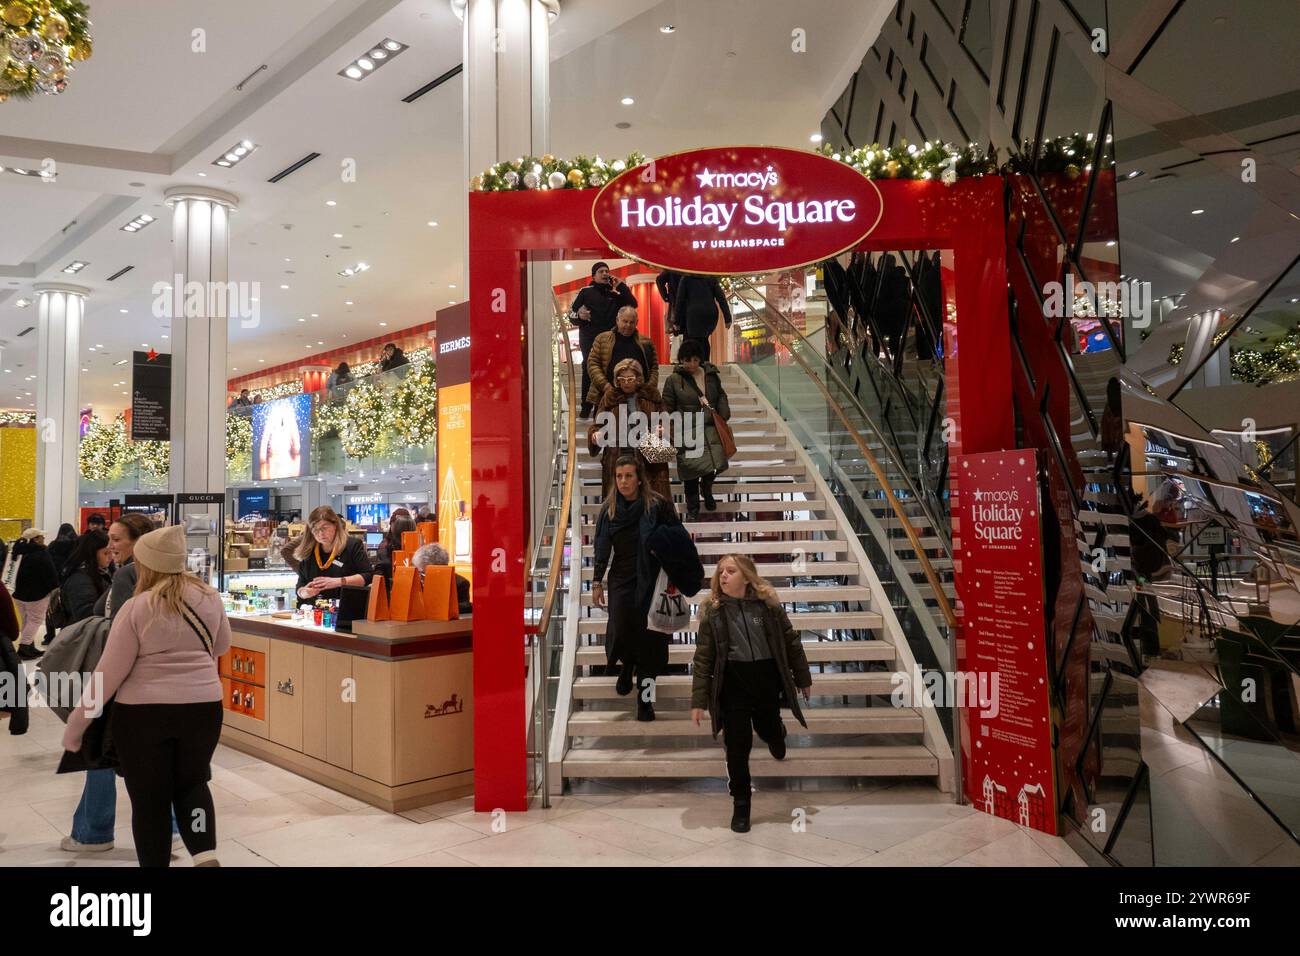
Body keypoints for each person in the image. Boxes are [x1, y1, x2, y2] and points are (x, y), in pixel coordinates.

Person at [63, 524, 231, 868]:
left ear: (148, 564)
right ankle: (205, 856)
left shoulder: (137, 607)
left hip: (143, 716)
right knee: (193, 784)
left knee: (150, 800)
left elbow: (107, 677)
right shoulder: (210, 598)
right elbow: (222, 645)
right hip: (204, 708)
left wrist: (76, 726)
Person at [690, 554, 812, 833]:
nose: (723, 576)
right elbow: (703, 659)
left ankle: (776, 734)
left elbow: (791, 642)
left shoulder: (768, 607)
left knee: (768, 729)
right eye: (721, 572)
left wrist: (802, 677)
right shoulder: (713, 611)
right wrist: (699, 700)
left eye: (730, 571)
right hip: (733, 685)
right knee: (737, 746)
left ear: (746, 576)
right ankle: (741, 804)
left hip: (766, 680)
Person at [59, 513, 158, 854]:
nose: (110, 545)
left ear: (138, 541)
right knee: (137, 759)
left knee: (102, 753)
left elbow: (123, 635)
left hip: (123, 680)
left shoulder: (130, 574)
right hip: (150, 684)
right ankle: (92, 829)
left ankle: (93, 832)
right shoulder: (155, 575)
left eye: (117, 539)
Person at [591, 455, 679, 722]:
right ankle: (626, 662)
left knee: (651, 647)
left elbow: (678, 538)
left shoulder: (658, 506)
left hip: (652, 579)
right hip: (621, 579)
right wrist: (597, 581)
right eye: (619, 476)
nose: (623, 481)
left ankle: (646, 702)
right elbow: (602, 546)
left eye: (628, 476)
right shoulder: (609, 510)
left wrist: (678, 575)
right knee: (621, 627)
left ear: (639, 478)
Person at [662, 338, 732, 520]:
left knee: (715, 464)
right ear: (681, 360)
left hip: (709, 426)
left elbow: (721, 395)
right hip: (686, 430)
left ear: (699, 359)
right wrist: (668, 427)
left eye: (694, 359)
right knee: (690, 470)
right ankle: (692, 506)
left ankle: (707, 490)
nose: (691, 364)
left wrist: (723, 414)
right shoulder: (674, 380)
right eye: (687, 360)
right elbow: (667, 406)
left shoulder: (710, 375)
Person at [589, 357, 671, 502]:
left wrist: (662, 429)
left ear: (638, 378)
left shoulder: (651, 395)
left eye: (630, 379)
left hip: (649, 454)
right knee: (619, 499)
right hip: (618, 453)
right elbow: (597, 424)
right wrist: (596, 435)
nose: (626, 383)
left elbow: (666, 420)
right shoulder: (609, 397)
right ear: (617, 379)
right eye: (622, 379)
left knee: (651, 500)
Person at [570, 262, 638, 418]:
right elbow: (571, 314)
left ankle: (605, 405)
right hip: (589, 338)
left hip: (611, 339)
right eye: (601, 271)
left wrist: (621, 286)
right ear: (594, 275)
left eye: (607, 271)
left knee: (609, 370)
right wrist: (580, 316)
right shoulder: (585, 292)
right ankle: (586, 407)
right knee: (590, 369)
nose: (605, 273)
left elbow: (633, 304)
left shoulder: (614, 295)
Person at [293, 506, 373, 606]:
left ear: (335, 525)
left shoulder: (352, 546)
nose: (320, 533)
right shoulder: (309, 552)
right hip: (314, 613)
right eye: (315, 530)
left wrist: (339, 582)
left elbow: (368, 576)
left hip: (346, 611)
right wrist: (304, 592)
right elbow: (300, 585)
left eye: (324, 528)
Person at [586, 306, 658, 409]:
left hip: (639, 400)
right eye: (625, 321)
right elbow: (593, 364)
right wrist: (606, 387)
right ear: (617, 320)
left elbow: (654, 368)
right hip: (607, 397)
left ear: (636, 322)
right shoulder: (602, 339)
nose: (628, 325)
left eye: (632, 322)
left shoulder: (647, 342)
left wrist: (648, 389)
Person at [658, 271, 731, 362]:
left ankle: (692, 363)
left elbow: (679, 301)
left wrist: (676, 321)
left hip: (692, 313)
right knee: (704, 339)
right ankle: (705, 363)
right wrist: (728, 318)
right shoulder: (710, 277)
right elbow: (721, 297)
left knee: (691, 341)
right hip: (710, 313)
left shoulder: (685, 277)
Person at [11, 528, 58, 660]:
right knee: (35, 620)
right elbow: (50, 573)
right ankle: (24, 647)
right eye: (41, 536)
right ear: (35, 539)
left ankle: (29, 646)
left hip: (18, 593)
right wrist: (54, 587)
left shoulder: (17, 552)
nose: (43, 539)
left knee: (26, 619)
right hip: (37, 594)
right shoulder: (41, 553)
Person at [59, 530, 112, 623]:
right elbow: (85, 616)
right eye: (106, 553)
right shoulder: (80, 580)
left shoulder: (99, 572)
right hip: (82, 633)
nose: (110, 557)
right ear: (92, 554)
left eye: (112, 552)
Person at [412, 542, 473, 615]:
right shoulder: (415, 581)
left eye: (422, 573)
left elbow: (464, 608)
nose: (419, 577)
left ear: (440, 569)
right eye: (417, 572)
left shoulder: (459, 583)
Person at [377, 514, 417, 582]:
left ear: (395, 531)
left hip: (390, 590)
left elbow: (379, 575)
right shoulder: (418, 553)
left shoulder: (385, 550)